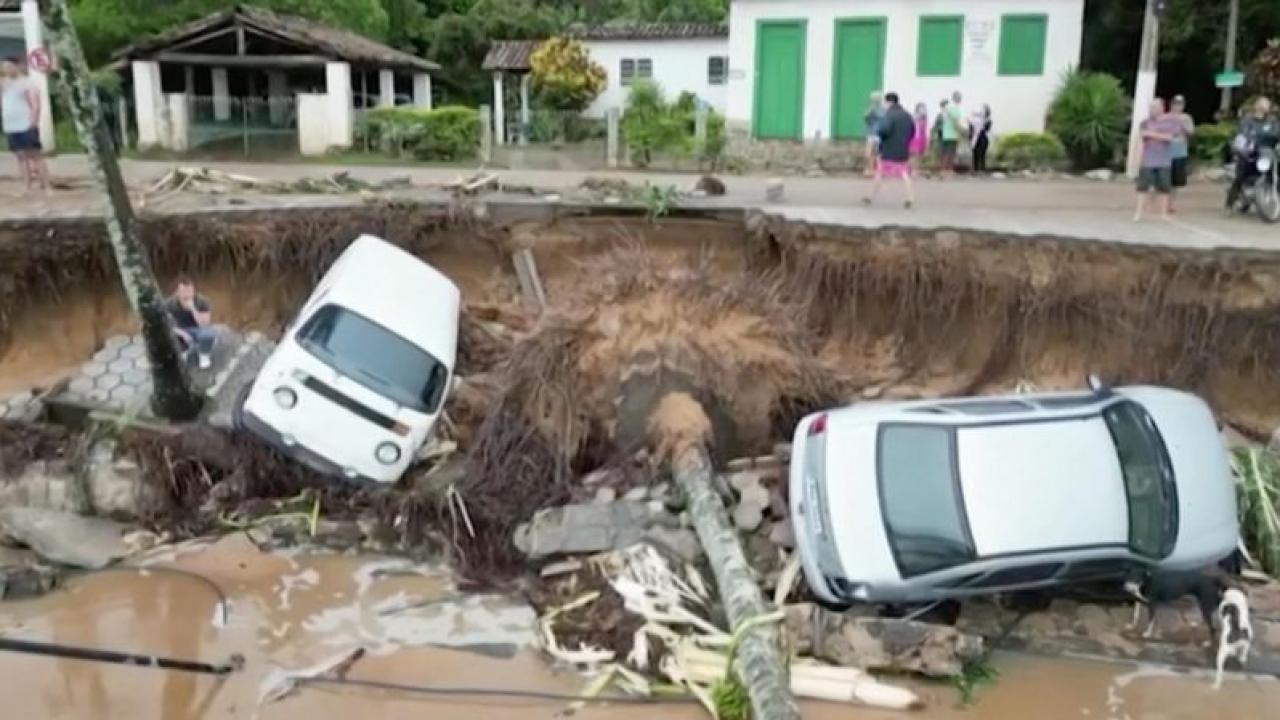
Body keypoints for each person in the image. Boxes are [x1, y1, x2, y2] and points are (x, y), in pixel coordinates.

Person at [1, 58, 50, 195]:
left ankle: (46, 186)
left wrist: (33, 122)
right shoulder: (4, 84)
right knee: (20, 157)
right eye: (4, 67)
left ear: (17, 66)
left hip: (25, 124)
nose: (6, 70)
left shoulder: (27, 83)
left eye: (9, 66)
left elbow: (35, 104)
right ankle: (26, 186)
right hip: (10, 126)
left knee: (35, 156)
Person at [861, 92, 916, 208]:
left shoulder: (889, 115)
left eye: (885, 102)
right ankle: (910, 197)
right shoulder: (907, 115)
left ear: (889, 102)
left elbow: (884, 130)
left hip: (889, 148)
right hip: (902, 148)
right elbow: (912, 130)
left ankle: (871, 196)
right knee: (904, 173)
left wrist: (880, 136)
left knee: (880, 172)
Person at [1226, 97, 1280, 211]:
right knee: (1240, 176)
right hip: (1251, 153)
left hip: (1268, 152)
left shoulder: (1272, 121)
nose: (1264, 107)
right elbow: (1245, 133)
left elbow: (1277, 133)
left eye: (1266, 105)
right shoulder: (1247, 120)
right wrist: (1254, 138)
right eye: (1261, 104)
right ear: (1256, 106)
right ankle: (1230, 203)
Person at [1133, 98, 1180, 222]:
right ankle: (1138, 213)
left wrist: (1152, 134)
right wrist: (1137, 158)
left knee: (1164, 188)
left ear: (1162, 108)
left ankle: (1163, 213)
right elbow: (1141, 140)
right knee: (1142, 187)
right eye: (1150, 107)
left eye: (1155, 107)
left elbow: (1170, 138)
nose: (1152, 110)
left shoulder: (1171, 122)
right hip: (1148, 160)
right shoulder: (1145, 123)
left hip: (1164, 160)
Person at [165, 277, 217, 369]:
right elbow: (166, 324)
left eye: (190, 291)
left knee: (209, 333)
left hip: (198, 329)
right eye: (183, 291)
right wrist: (182, 333)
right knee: (167, 336)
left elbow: (205, 324)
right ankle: (182, 353)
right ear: (177, 292)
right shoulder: (170, 304)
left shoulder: (201, 301)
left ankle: (203, 355)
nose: (187, 294)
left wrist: (193, 309)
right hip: (180, 330)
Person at [1167, 95, 1194, 212]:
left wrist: (1183, 125)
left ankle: (1171, 203)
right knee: (1163, 178)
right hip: (1166, 152)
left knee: (1175, 181)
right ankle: (1161, 201)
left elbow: (1191, 131)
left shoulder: (1186, 118)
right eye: (1176, 104)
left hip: (1180, 152)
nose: (1178, 106)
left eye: (1180, 104)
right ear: (1171, 105)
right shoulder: (1165, 117)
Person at [940, 90, 968, 176]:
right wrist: (962, 131)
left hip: (946, 133)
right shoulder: (953, 108)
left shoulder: (947, 107)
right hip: (952, 134)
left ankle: (945, 170)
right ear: (956, 98)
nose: (960, 99)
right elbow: (955, 120)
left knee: (946, 152)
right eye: (959, 98)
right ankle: (948, 170)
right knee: (951, 153)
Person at [862, 92, 884, 177]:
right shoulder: (871, 108)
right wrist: (870, 109)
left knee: (877, 153)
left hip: (879, 133)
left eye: (876, 98)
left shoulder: (882, 109)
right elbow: (865, 117)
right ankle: (870, 169)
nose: (875, 100)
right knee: (869, 152)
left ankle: (877, 170)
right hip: (871, 133)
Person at [970, 104, 993, 174]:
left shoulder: (988, 120)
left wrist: (981, 126)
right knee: (975, 153)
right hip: (975, 138)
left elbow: (987, 129)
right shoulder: (974, 120)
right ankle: (975, 169)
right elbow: (971, 129)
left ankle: (982, 169)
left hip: (983, 138)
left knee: (982, 153)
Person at [909, 102, 929, 170]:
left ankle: (916, 169)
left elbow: (925, 130)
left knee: (920, 155)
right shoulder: (914, 117)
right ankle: (912, 170)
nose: (923, 110)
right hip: (914, 138)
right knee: (914, 154)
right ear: (917, 109)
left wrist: (926, 140)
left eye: (924, 108)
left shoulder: (925, 118)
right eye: (921, 108)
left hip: (922, 138)